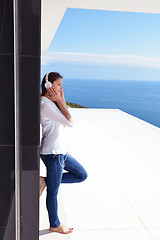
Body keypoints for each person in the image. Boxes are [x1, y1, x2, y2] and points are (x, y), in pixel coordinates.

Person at [39, 72, 88, 234]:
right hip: (53, 153)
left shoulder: (50, 103)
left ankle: (45, 181)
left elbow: (65, 115)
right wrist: (60, 100)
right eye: (59, 84)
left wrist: (61, 99)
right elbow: (69, 122)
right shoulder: (46, 104)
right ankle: (55, 224)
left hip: (61, 152)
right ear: (48, 86)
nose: (61, 87)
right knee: (53, 193)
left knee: (81, 175)